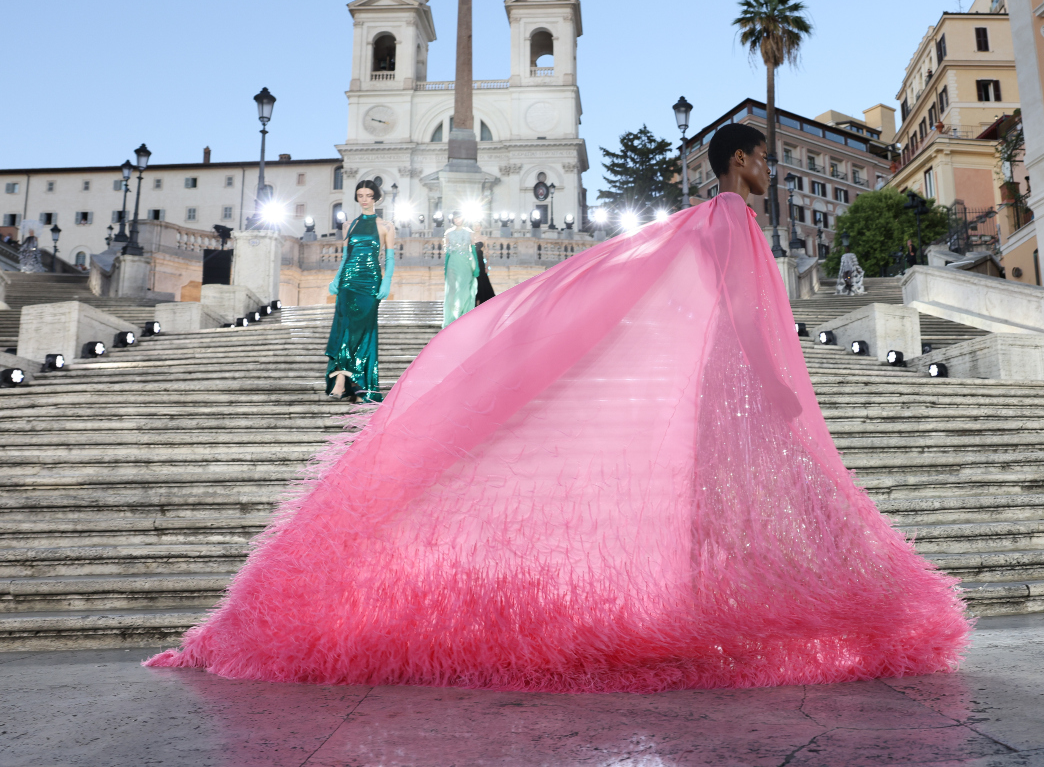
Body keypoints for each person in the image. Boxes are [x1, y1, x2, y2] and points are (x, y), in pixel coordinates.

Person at [147, 123, 969, 692]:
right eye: (761, 160)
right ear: (741, 161)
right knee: (742, 508)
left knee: (724, 511)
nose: (768, 172)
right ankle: (719, 619)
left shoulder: (714, 219)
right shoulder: (730, 220)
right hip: (737, 384)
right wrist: (780, 383)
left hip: (729, 384)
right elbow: (743, 313)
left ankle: (713, 615)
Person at [325, 180, 394, 403]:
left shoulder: (387, 226)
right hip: (348, 282)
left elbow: (390, 259)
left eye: (368, 195)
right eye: (360, 195)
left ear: (376, 197)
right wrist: (336, 279)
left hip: (370, 282)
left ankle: (358, 380)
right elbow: (345, 257)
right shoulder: (349, 226)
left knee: (365, 331)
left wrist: (386, 283)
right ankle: (341, 380)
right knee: (345, 327)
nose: (364, 199)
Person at [441, 212, 477, 328]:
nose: (458, 220)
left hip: (466, 263)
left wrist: (476, 267)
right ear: (453, 219)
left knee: (465, 288)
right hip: (453, 261)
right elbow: (447, 252)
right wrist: (445, 267)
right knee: (452, 290)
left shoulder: (470, 233)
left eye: (460, 217)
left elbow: (473, 251)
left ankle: (464, 314)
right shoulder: (448, 233)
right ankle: (452, 317)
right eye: (456, 217)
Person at [474, 241, 495, 306]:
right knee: (476, 285)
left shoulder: (484, 238)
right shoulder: (470, 236)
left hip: (481, 265)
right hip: (474, 265)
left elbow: (487, 255)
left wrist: (487, 267)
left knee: (482, 284)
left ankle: (479, 304)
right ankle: (476, 304)